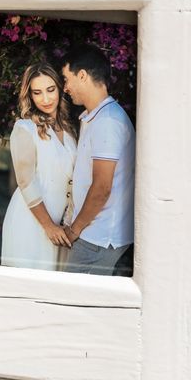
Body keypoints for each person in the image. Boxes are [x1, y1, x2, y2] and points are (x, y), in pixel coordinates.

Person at [61, 44, 135, 275]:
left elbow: (102, 187)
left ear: (82, 75)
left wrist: (75, 230)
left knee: (72, 305)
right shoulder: (97, 117)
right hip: (94, 233)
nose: (65, 88)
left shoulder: (108, 122)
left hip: (98, 236)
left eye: (66, 79)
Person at [1, 63, 78, 271]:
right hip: (31, 221)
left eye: (50, 90)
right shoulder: (25, 128)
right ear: (30, 96)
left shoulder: (69, 129)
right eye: (37, 92)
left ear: (60, 88)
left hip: (60, 224)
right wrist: (48, 226)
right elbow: (26, 181)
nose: (45, 99)